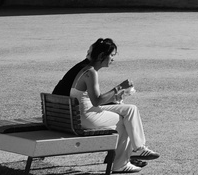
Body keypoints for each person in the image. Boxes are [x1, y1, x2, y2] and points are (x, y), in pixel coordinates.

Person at [57, 38, 156, 173]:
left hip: (83, 111)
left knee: (131, 109)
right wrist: (119, 87)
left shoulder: (86, 69)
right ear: (101, 56)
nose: (113, 59)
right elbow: (96, 101)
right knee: (123, 121)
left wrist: (115, 97)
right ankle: (124, 161)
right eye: (112, 56)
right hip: (87, 116)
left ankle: (137, 148)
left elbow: (91, 99)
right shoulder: (90, 72)